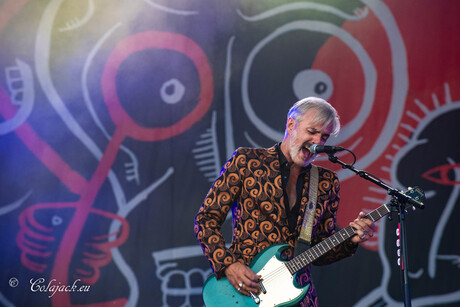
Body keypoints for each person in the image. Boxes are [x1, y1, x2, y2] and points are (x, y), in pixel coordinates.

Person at [194, 97, 376, 306]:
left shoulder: (326, 182)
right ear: (291, 125)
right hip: (245, 292)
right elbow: (206, 219)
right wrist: (229, 265)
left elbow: (320, 250)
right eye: (312, 132)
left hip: (298, 296)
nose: (318, 141)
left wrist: (350, 240)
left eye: (324, 136)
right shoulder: (247, 162)